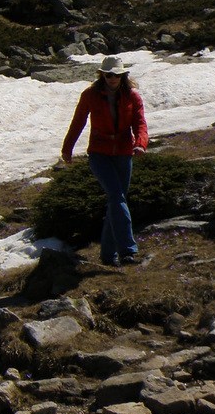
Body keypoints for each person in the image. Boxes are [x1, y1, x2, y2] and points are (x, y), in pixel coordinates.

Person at [61, 55, 149, 266]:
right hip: (99, 152)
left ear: (123, 76)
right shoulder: (90, 95)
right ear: (102, 75)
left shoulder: (132, 97)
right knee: (117, 197)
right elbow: (78, 122)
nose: (112, 78)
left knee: (116, 202)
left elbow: (140, 123)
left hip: (123, 151)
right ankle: (128, 250)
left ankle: (108, 256)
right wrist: (67, 148)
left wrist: (140, 143)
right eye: (108, 75)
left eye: (116, 75)